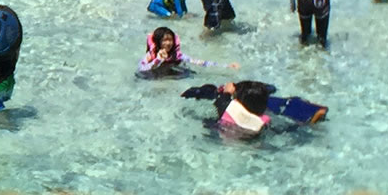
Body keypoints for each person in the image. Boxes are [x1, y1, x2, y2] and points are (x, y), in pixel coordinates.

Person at [181, 80, 327, 135]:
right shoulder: (263, 120)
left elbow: (224, 98)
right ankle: (308, 123)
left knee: (208, 123)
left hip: (230, 136)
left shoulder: (228, 108)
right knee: (285, 128)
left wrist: (228, 90)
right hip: (256, 136)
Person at [136, 26, 237, 78]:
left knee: (194, 74)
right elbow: (141, 69)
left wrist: (226, 66)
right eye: (164, 40)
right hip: (154, 77)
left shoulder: (176, 55)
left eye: (170, 40)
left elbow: (200, 63)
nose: (168, 43)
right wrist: (157, 60)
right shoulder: (150, 55)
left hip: (171, 75)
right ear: (158, 42)